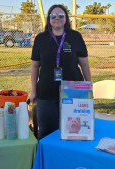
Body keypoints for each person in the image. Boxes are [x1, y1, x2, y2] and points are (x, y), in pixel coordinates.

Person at [30, 4, 91, 140]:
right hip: (46, 92)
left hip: (73, 90)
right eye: (53, 15)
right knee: (46, 134)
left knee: (75, 133)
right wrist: (33, 90)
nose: (57, 18)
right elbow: (35, 66)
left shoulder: (75, 37)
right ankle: (49, 160)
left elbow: (85, 64)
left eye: (61, 15)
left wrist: (89, 87)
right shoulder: (40, 38)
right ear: (49, 19)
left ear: (66, 18)